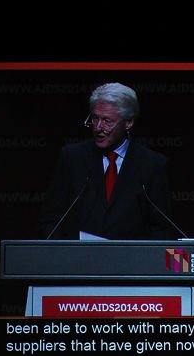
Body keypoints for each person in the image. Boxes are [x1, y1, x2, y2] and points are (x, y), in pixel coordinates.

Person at [40, 82, 176, 240]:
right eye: (95, 118)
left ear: (128, 122)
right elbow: (51, 218)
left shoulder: (152, 165)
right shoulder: (72, 158)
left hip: (131, 262)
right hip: (77, 261)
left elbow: (162, 227)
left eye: (107, 121)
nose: (98, 127)